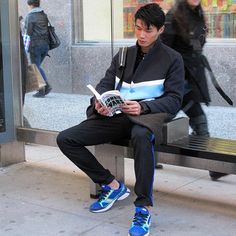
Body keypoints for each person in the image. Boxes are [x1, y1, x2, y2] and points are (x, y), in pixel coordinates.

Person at [57, 3, 184, 236]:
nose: (142, 35)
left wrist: (143, 106)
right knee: (66, 139)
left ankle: (143, 207)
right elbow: (106, 84)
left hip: (146, 120)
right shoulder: (124, 54)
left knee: (142, 137)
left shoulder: (172, 59)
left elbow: (175, 100)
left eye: (148, 30)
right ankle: (112, 185)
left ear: (160, 30)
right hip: (117, 117)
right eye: (137, 29)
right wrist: (99, 103)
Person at [161, 0, 228, 181]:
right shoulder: (173, 15)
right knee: (165, 118)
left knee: (197, 121)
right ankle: (143, 146)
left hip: (192, 77)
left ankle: (213, 166)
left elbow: (197, 44)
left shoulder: (197, 13)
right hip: (179, 80)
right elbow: (164, 49)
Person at [24, 0, 52, 98]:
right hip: (45, 45)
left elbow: (28, 32)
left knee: (35, 67)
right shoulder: (43, 14)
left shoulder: (30, 16)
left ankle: (42, 89)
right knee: (37, 66)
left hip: (35, 45)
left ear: (30, 5)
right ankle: (46, 86)